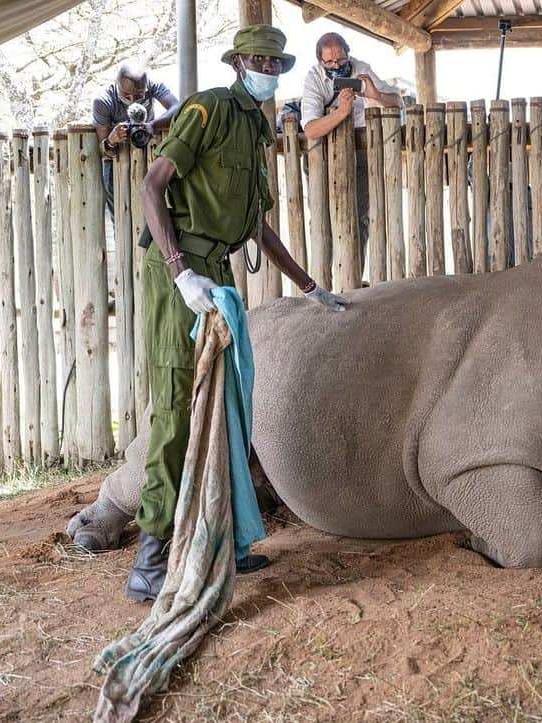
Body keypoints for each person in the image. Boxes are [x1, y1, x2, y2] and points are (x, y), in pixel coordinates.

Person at [128, 24, 347, 603]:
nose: (268, 72)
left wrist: (308, 285)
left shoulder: (257, 127)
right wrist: (179, 271)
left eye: (276, 64)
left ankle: (219, 541)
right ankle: (151, 557)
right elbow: (153, 186)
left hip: (218, 270)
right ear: (238, 62)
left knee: (227, 402)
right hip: (182, 269)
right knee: (179, 402)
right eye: (259, 61)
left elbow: (256, 224)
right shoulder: (210, 110)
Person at [300, 32, 402, 274]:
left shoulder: (360, 68)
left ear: (348, 55)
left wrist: (374, 94)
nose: (337, 66)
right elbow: (311, 129)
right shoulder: (313, 78)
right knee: (322, 220)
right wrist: (341, 113)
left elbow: (397, 101)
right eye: (330, 62)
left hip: (360, 153)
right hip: (321, 157)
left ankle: (353, 276)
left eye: (341, 60)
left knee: (359, 219)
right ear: (320, 61)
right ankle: (322, 279)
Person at [92, 63, 180, 217]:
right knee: (121, 215)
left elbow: (177, 107)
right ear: (117, 85)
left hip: (148, 153)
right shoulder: (103, 101)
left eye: (139, 96)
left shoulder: (153, 86)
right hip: (116, 162)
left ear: (146, 87)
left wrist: (152, 125)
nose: (132, 100)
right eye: (126, 96)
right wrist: (112, 139)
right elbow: (104, 151)